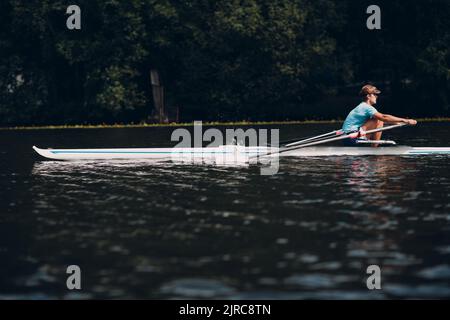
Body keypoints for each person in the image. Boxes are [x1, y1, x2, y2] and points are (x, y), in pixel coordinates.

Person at [342, 84, 417, 146]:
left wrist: (402, 123)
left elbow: (385, 121)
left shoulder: (362, 106)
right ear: (368, 96)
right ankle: (374, 150)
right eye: (375, 94)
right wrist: (406, 120)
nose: (377, 96)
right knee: (379, 119)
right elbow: (384, 117)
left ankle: (373, 148)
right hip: (352, 138)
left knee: (379, 120)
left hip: (347, 138)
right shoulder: (366, 107)